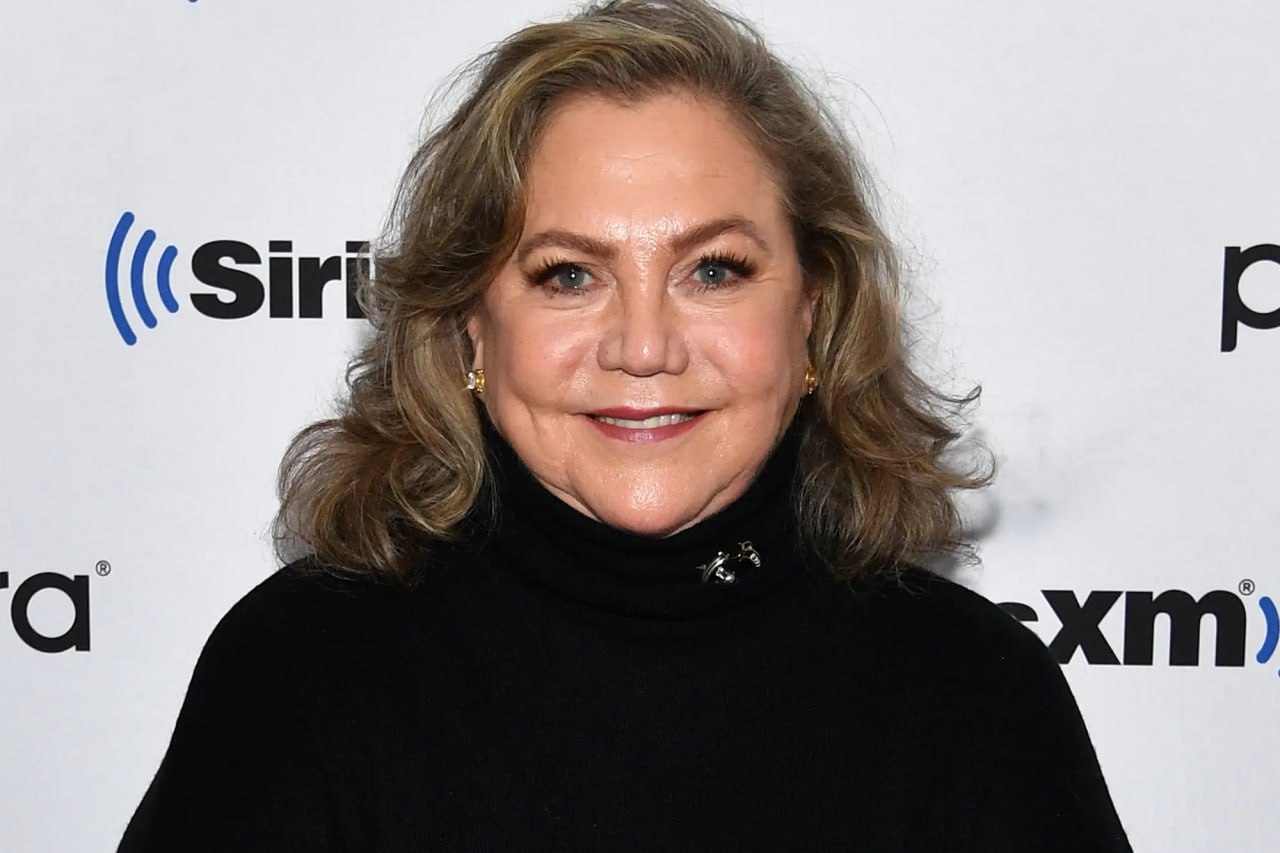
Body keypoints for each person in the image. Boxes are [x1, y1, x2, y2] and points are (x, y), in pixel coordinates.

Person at [118, 0, 1131, 849]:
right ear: (472, 326)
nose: (643, 347)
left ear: (811, 315)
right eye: (568, 275)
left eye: (713, 269)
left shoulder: (975, 698)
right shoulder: (301, 675)